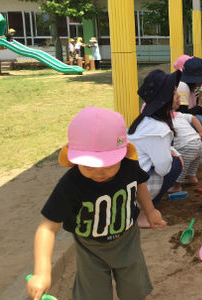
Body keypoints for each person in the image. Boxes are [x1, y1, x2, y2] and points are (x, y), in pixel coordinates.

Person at [26, 107, 166, 300]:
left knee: (134, 291)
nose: (99, 172)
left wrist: (150, 211)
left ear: (123, 153)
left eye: (108, 164)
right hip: (90, 248)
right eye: (88, 166)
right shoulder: (71, 184)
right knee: (94, 295)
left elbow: (139, 183)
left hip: (127, 240)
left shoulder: (128, 166)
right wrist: (42, 272)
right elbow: (47, 227)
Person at [128, 70, 183, 224]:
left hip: (126, 183)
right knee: (176, 164)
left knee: (173, 156)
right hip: (136, 189)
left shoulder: (143, 121)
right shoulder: (160, 130)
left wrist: (170, 151)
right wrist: (173, 155)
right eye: (173, 93)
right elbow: (163, 169)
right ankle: (145, 210)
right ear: (163, 99)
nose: (178, 95)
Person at [177, 57, 202, 135]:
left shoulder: (194, 88)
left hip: (186, 118)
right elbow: (181, 114)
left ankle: (195, 138)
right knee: (199, 120)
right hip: (176, 120)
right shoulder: (182, 86)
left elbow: (194, 110)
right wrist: (199, 109)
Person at [171, 107, 202, 189]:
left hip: (186, 146)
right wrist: (201, 131)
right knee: (193, 166)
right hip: (198, 142)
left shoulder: (162, 121)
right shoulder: (179, 114)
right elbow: (193, 118)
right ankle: (192, 178)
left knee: (181, 167)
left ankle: (176, 186)